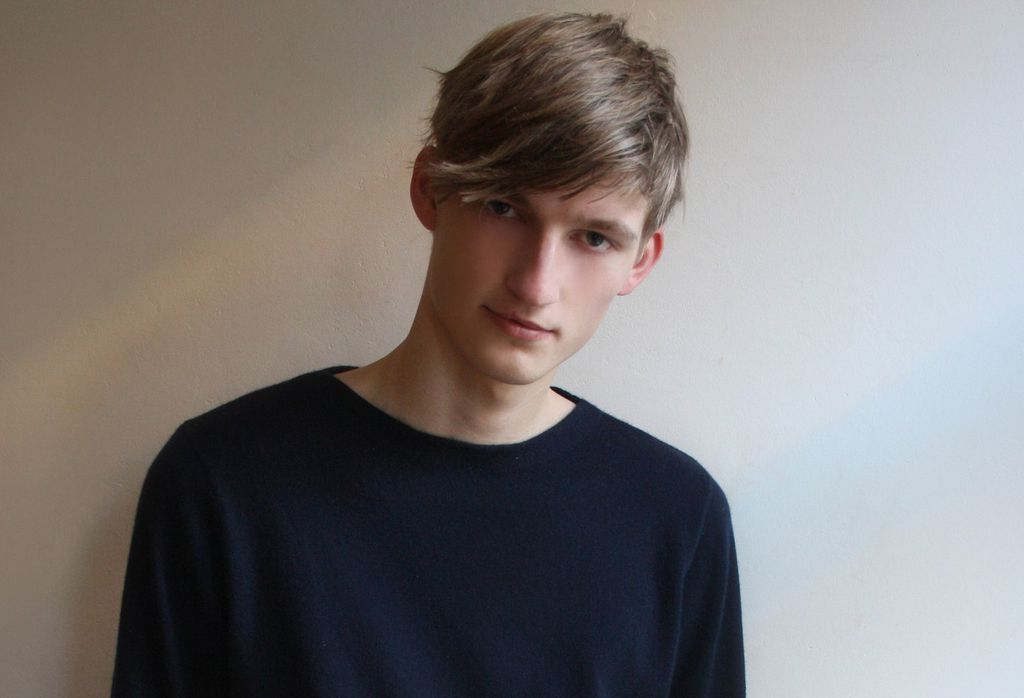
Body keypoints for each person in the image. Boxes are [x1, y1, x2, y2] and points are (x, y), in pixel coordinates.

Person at [112, 12, 744, 697]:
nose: (537, 284)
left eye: (594, 238)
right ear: (431, 188)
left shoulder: (677, 521)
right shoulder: (223, 485)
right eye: (503, 207)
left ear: (640, 261)